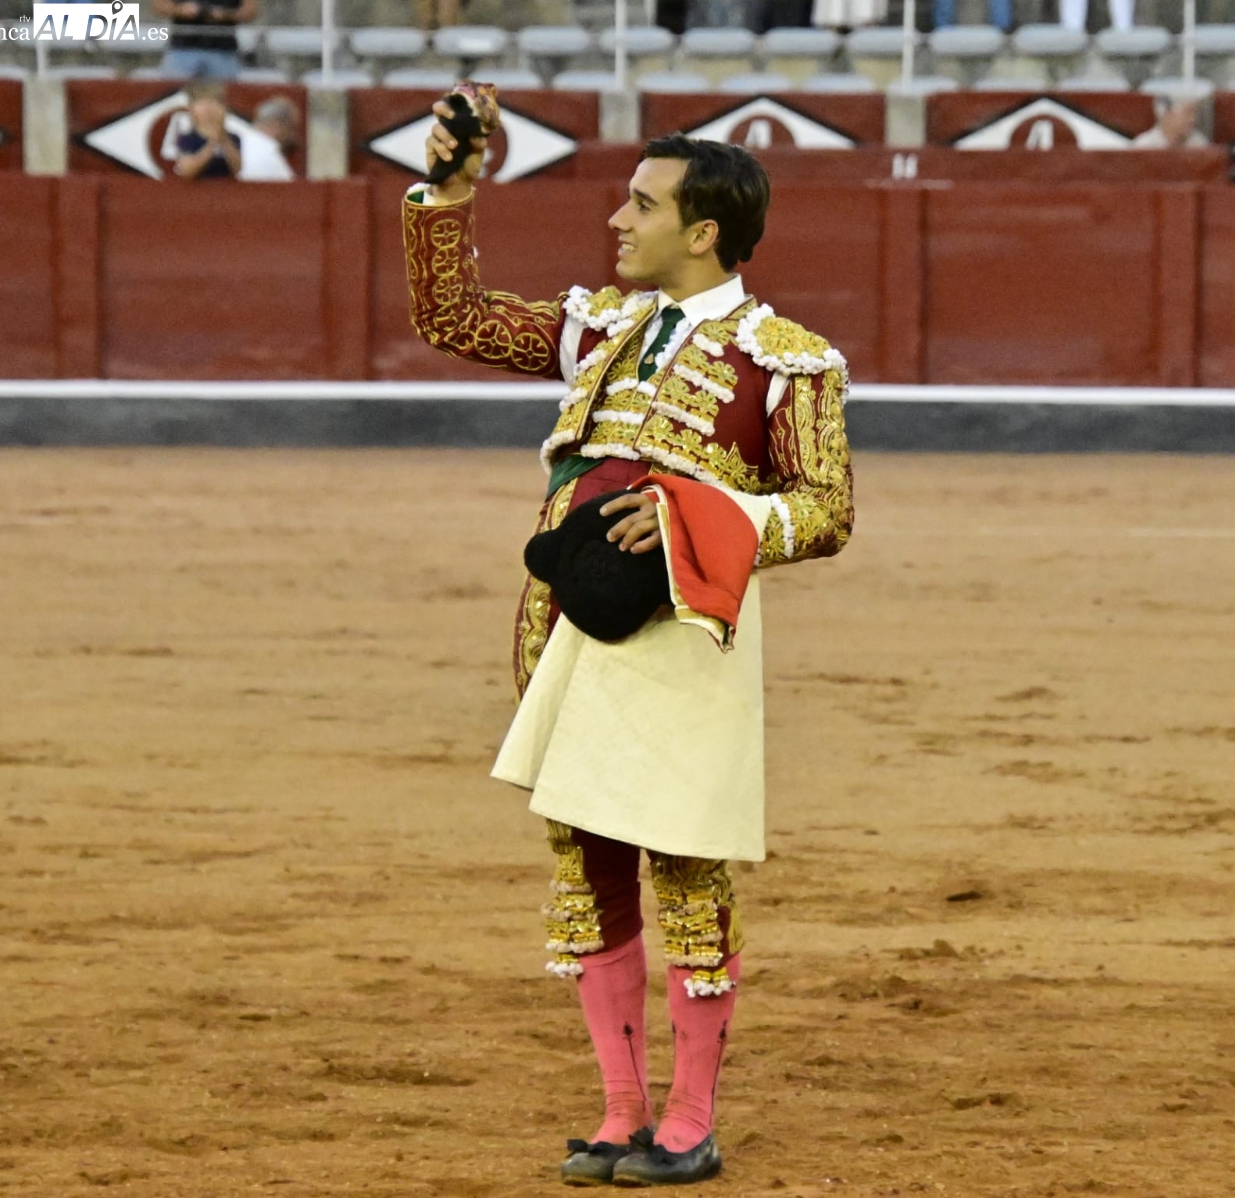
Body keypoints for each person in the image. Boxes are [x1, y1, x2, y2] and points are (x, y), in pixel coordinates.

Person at [402, 90, 853, 1187]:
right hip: (561, 618)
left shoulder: (789, 361)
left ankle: (691, 1118)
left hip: (680, 628)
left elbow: (827, 509)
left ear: (703, 231)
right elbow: (453, 317)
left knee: (685, 863)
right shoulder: (599, 328)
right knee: (584, 855)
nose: (618, 220)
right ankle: (618, 1112)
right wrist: (448, 191)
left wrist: (697, 514)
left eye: (642, 205)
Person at [153, 0, 256, 80]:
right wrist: (181, 10)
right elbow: (158, 6)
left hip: (223, 52)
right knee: (172, 95)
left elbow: (250, 12)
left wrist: (225, 15)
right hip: (182, 49)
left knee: (226, 96)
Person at [172, 82, 241, 180]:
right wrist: (212, 143)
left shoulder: (233, 138)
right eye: (204, 104)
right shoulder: (188, 139)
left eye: (216, 102)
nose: (210, 109)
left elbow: (236, 169)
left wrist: (224, 139)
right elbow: (187, 170)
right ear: (191, 109)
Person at [237, 96, 298, 183]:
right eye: (291, 129)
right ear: (275, 125)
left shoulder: (236, 137)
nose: (292, 136)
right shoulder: (268, 149)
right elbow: (289, 187)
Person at [1130, 95, 1209, 149]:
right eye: (1188, 112)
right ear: (1167, 113)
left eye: (1195, 113)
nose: (1193, 119)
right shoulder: (1144, 146)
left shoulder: (1198, 143)